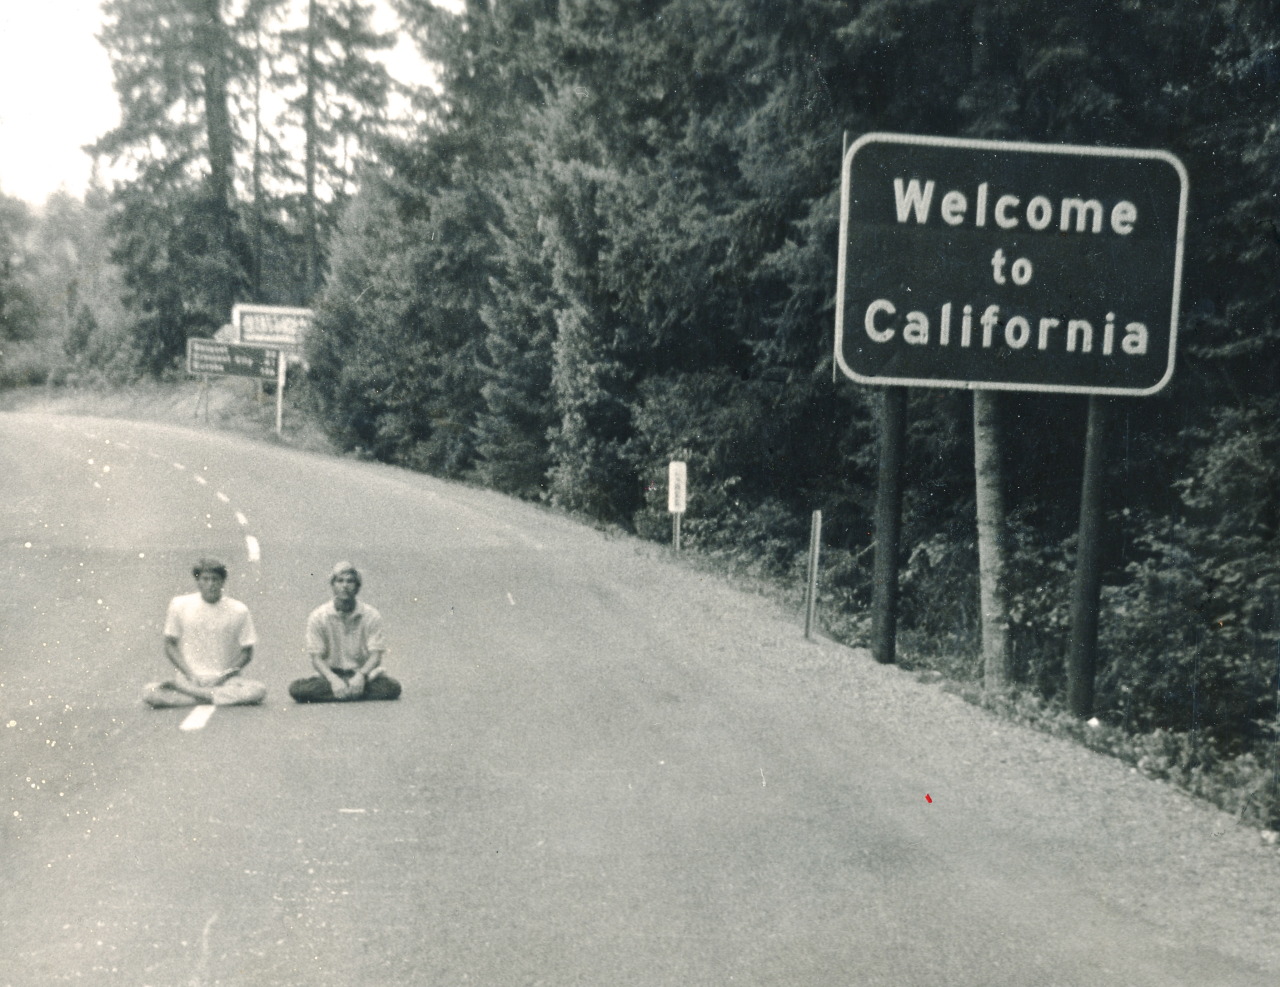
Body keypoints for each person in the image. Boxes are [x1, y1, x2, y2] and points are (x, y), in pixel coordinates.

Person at [143, 559, 267, 708]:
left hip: (225, 681)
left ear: (222, 582)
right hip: (190, 679)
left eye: (215, 579)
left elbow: (247, 652)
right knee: (149, 692)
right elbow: (170, 644)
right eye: (205, 579)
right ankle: (212, 697)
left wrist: (223, 676)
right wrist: (190, 675)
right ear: (198, 581)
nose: (210, 584)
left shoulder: (239, 610)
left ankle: (194, 696)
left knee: (258, 690)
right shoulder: (179, 605)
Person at [289, 562, 402, 703]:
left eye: (350, 581)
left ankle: (344, 693)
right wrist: (333, 680)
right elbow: (316, 658)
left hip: (361, 675)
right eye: (340, 581)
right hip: (330, 676)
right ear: (333, 585)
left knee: (392, 688)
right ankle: (349, 693)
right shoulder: (318, 616)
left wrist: (361, 676)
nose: (345, 586)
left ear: (357, 587)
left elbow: (376, 655)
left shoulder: (371, 615)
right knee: (297, 689)